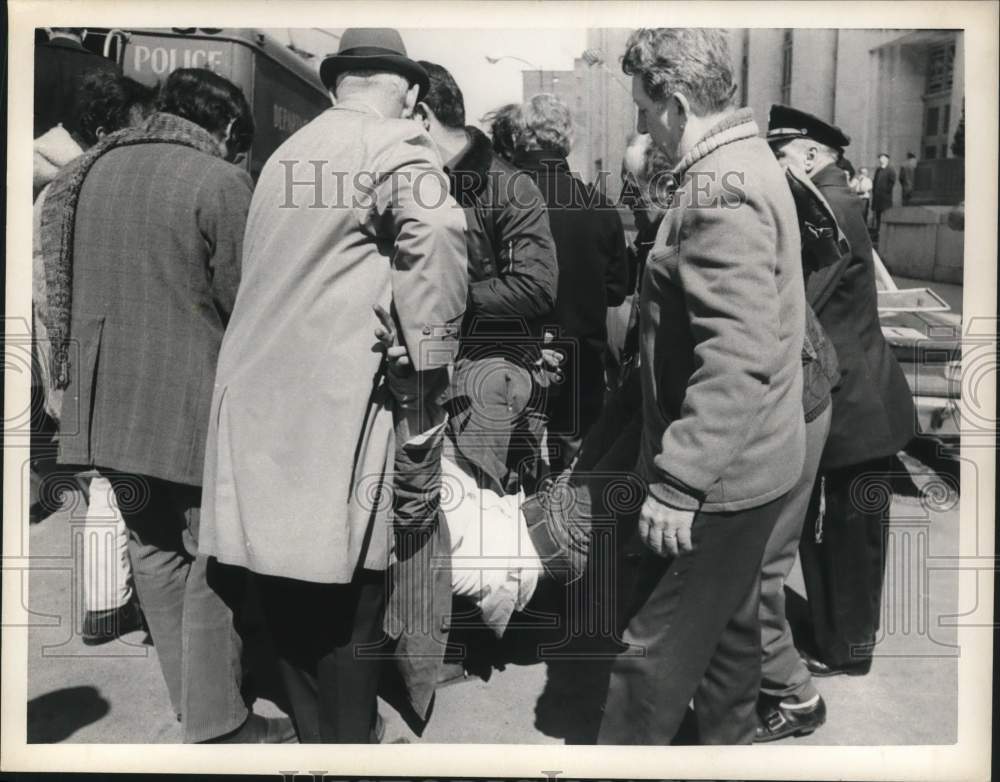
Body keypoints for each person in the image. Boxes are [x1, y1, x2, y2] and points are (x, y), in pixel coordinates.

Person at [199, 28, 468, 744]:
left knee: (286, 604)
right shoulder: (394, 147)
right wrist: (430, 364)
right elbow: (439, 237)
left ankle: (324, 735)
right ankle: (348, 749)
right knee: (354, 602)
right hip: (335, 414)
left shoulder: (287, 152)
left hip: (257, 410)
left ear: (336, 84)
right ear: (409, 93)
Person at [39, 67, 278, 743]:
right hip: (195, 409)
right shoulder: (220, 182)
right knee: (214, 561)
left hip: (108, 409)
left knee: (154, 553)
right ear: (228, 129)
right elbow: (247, 306)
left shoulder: (83, 176)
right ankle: (219, 724)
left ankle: (194, 706)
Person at [597, 28, 807, 746]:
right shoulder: (742, 163)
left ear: (678, 104)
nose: (643, 126)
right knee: (729, 639)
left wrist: (678, 481)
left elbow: (738, 353)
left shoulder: (721, 189)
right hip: (752, 464)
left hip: (720, 478)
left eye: (644, 110)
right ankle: (730, 746)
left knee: (650, 660)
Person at [766, 105, 915, 679]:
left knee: (848, 536)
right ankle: (840, 637)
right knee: (848, 533)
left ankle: (845, 648)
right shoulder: (831, 199)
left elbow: (806, 304)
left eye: (780, 155)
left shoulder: (829, 205)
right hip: (861, 397)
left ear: (809, 154)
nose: (773, 168)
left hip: (854, 404)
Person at [33, 71, 157, 644]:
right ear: (110, 125)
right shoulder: (80, 185)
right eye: (139, 121)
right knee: (106, 482)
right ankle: (108, 605)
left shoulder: (53, 183)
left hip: (60, 354)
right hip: (83, 355)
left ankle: (105, 598)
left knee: (93, 480)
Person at [414, 60, 558, 491]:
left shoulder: (510, 188)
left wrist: (445, 296)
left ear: (421, 116)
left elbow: (535, 287)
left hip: (489, 378)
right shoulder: (417, 180)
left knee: (477, 512)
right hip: (437, 372)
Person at [510, 93, 630, 471]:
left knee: (513, 467)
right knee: (574, 474)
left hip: (516, 357)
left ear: (522, 138)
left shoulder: (499, 201)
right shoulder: (599, 206)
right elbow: (617, 290)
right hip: (582, 363)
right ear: (567, 141)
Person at [34, 27, 119, 138]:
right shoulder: (110, 68)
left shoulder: (27, 56)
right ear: (84, 33)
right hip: (84, 150)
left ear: (48, 31)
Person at [871, 151, 896, 233]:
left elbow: (891, 182)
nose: (881, 159)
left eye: (883, 158)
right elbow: (875, 182)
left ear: (887, 159)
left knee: (885, 214)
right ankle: (879, 230)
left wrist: (886, 192)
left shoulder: (890, 169)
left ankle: (885, 231)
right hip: (877, 197)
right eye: (880, 158)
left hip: (885, 198)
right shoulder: (878, 170)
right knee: (878, 215)